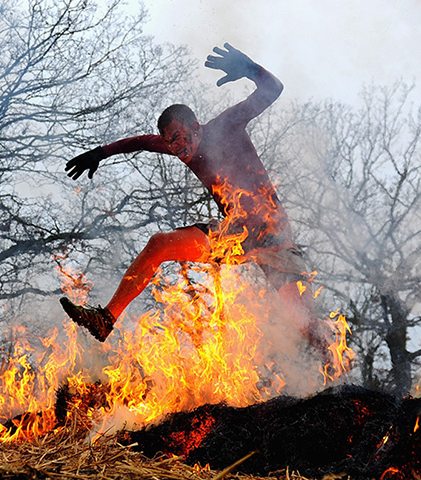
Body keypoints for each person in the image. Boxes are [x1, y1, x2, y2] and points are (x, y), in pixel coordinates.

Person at [60, 43, 325, 355]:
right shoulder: (176, 146)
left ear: (196, 127)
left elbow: (273, 89)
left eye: (181, 137)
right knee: (160, 243)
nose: (177, 147)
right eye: (171, 143)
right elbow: (141, 142)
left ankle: (338, 372)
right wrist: (99, 153)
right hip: (235, 235)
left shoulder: (225, 127)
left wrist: (251, 69)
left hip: (273, 235)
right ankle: (106, 318)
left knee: (303, 320)